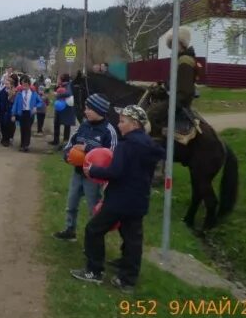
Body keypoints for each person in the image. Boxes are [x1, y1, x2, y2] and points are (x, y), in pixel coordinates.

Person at [70, 105, 165, 290]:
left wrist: (93, 170)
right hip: (139, 199)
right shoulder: (149, 144)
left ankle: (94, 271)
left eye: (122, 121)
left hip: (120, 199)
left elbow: (114, 172)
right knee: (132, 238)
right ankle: (128, 280)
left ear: (134, 124)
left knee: (94, 229)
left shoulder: (126, 145)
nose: (119, 125)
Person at [53, 93, 118, 241]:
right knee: (71, 204)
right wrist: (68, 156)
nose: (85, 111)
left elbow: (112, 155)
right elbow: (70, 144)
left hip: (94, 178)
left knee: (93, 208)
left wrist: (87, 149)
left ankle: (93, 238)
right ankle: (70, 230)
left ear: (99, 110)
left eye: (89, 109)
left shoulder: (109, 131)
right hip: (78, 173)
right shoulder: (83, 125)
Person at [147, 26, 198, 141]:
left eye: (174, 44)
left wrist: (173, 104)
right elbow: (172, 84)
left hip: (179, 102)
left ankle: (158, 144)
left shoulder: (185, 61)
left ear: (182, 43)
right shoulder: (179, 59)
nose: (172, 48)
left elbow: (185, 91)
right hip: (174, 98)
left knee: (152, 115)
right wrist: (158, 90)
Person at [11, 75, 44, 152]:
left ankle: (26, 145)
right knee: (22, 129)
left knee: (28, 129)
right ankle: (22, 144)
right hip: (22, 113)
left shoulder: (33, 93)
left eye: (26, 85)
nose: (24, 86)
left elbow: (40, 102)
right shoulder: (19, 94)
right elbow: (15, 105)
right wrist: (13, 114)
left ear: (29, 85)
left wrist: (36, 107)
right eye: (23, 84)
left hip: (30, 113)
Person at [50, 74, 76, 147]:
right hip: (60, 108)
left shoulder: (68, 85)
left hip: (66, 109)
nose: (58, 80)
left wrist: (57, 95)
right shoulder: (62, 85)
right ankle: (56, 140)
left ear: (62, 79)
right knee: (57, 123)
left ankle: (65, 141)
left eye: (59, 79)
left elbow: (68, 93)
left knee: (66, 125)